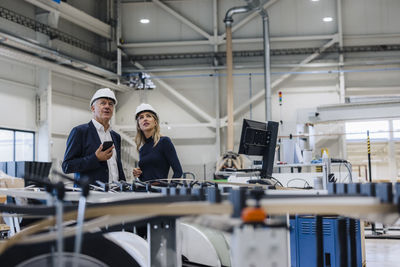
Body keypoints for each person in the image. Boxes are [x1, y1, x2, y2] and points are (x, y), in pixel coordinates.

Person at [62, 88, 126, 185]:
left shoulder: (115, 136)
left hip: (115, 192)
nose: (107, 107)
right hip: (91, 195)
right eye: (103, 103)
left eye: (110, 104)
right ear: (93, 108)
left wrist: (124, 188)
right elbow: (67, 166)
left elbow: (118, 166)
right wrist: (95, 158)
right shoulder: (80, 132)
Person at [133, 103, 182, 181]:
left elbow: (178, 172)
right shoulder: (142, 149)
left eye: (148, 116)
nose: (145, 119)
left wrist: (170, 190)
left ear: (155, 122)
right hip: (143, 190)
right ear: (139, 125)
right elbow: (147, 177)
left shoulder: (164, 142)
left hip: (159, 191)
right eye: (141, 117)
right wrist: (138, 174)